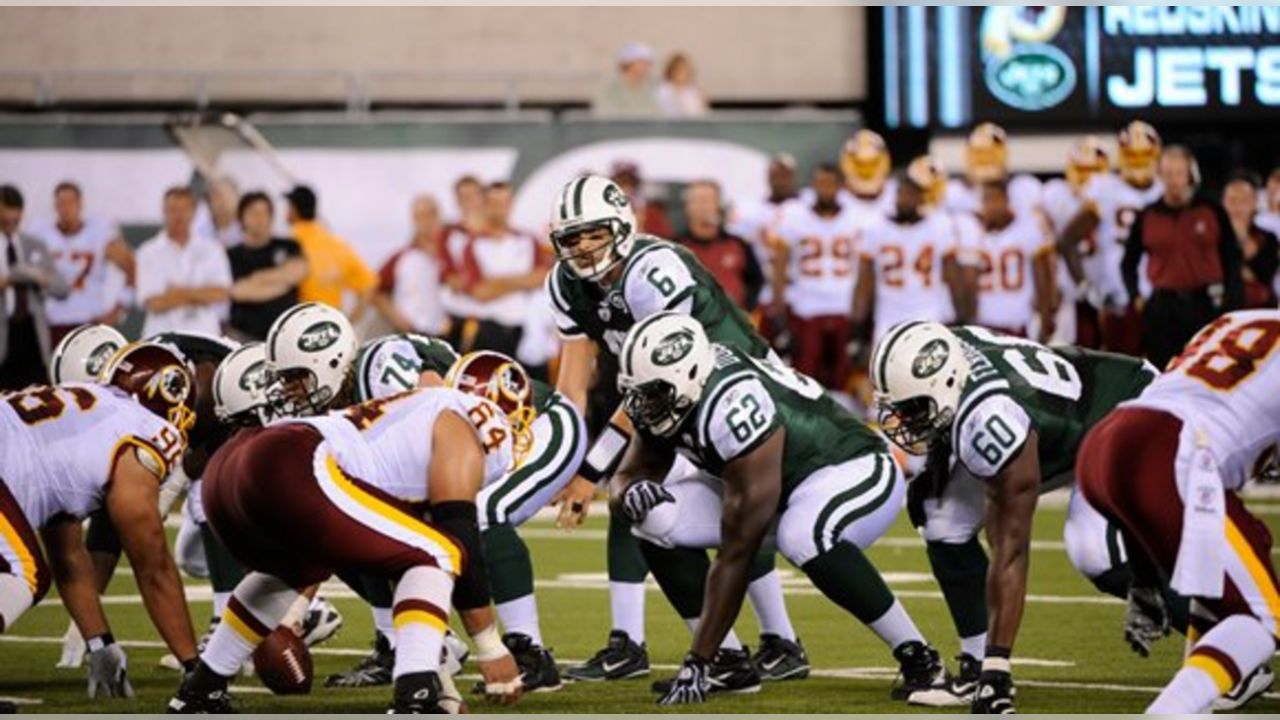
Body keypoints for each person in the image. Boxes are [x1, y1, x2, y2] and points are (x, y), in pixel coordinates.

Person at [168, 313, 524, 712]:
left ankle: (200, 691)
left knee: (293, 570)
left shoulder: (411, 416)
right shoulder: (465, 421)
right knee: (440, 553)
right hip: (289, 460)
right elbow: (460, 541)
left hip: (230, 469)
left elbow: (402, 571)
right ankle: (415, 699)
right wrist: (491, 649)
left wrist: (446, 686)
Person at [544, 174, 806, 686]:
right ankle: (766, 641)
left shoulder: (653, 270)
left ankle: (648, 643)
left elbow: (655, 381)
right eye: (572, 238)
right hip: (670, 397)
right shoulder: (565, 283)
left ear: (621, 226)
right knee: (652, 497)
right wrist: (561, 456)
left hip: (734, 387)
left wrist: (591, 471)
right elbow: (573, 383)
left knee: (699, 500)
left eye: (594, 234)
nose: (583, 247)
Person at [613, 312, 952, 706]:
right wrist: (628, 494)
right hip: (778, 486)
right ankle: (729, 663)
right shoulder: (676, 391)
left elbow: (739, 551)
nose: (642, 404)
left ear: (688, 375)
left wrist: (694, 662)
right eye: (637, 391)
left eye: (652, 392)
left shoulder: (732, 405)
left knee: (802, 535)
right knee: (652, 517)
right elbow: (627, 474)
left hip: (848, 468)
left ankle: (919, 657)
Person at [870, 321, 1165, 713]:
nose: (904, 422)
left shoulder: (991, 418)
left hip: (1127, 411)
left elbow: (1011, 548)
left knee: (1097, 551)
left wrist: (1001, 667)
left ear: (946, 384)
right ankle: (974, 666)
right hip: (1062, 419)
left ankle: (1227, 632)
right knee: (941, 514)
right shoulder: (948, 356)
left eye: (913, 408)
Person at [324, 334, 586, 692]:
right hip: (474, 434)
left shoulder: (397, 378)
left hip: (533, 423)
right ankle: (407, 643)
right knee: (373, 514)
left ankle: (531, 652)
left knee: (483, 512)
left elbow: (436, 407)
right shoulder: (351, 398)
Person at [1078, 309, 1280, 713]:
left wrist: (1145, 576)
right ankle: (1171, 711)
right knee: (1262, 616)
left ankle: (1209, 695)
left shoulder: (1240, 319)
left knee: (1242, 554)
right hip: (1171, 450)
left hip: (1110, 440)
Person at [0, 342, 200, 698]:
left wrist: (100, 643)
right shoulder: (143, 429)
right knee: (24, 571)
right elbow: (153, 566)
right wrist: (196, 670)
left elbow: (69, 557)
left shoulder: (81, 420)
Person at [1122, 145, 1244, 368]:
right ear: (1160, 176)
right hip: (1163, 307)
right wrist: (1136, 296)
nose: (1173, 180)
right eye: (1168, 173)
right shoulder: (1148, 215)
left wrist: (1232, 303)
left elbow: (1232, 259)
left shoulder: (1212, 210)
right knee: (1162, 372)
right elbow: (1128, 262)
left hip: (1206, 303)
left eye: (1179, 173)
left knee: (1207, 368)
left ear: (1191, 175)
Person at [1057, 121, 1165, 354]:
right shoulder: (1104, 189)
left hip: (1162, 298)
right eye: (1132, 156)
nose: (1138, 162)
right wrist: (1085, 286)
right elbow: (1067, 240)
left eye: (1144, 155)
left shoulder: (1165, 190)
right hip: (1120, 299)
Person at [769, 164, 877, 391]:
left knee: (844, 381)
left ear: (841, 186)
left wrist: (862, 318)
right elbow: (779, 266)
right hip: (806, 308)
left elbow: (867, 273)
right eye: (819, 183)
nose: (824, 189)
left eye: (830, 183)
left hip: (844, 307)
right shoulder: (793, 214)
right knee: (805, 381)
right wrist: (779, 313)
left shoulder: (860, 216)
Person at [851, 163, 978, 349]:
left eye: (911, 195)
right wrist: (858, 328)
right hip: (888, 317)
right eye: (902, 194)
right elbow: (865, 282)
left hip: (929, 314)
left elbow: (954, 278)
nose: (905, 199)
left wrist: (963, 317)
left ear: (921, 199)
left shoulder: (939, 225)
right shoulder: (875, 228)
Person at [453, 182, 552, 358]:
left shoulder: (528, 239)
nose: (501, 209)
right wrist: (524, 280)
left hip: (526, 329)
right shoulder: (473, 244)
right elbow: (480, 292)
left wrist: (497, 282)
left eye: (505, 203)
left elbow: (543, 277)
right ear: (485, 205)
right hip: (490, 328)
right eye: (495, 203)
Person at [31, 181, 133, 342]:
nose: (65, 209)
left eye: (70, 203)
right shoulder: (40, 233)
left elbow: (130, 266)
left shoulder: (100, 231)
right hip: (50, 320)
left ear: (80, 204)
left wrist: (118, 309)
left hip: (89, 319)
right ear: (55, 206)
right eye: (61, 203)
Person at [1042, 135, 1113, 347]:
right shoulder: (1054, 194)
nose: (1087, 178)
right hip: (1068, 292)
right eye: (1081, 170)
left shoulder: (1114, 195)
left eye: (1092, 171)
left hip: (1106, 287)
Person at [135, 187, 233, 338]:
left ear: (193, 212)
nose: (179, 216)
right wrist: (201, 295)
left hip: (205, 336)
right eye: (173, 209)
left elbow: (221, 293)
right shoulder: (148, 251)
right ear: (164, 211)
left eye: (184, 209)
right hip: (160, 337)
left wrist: (177, 292)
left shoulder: (212, 249)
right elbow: (155, 303)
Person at [0, 185, 69, 390]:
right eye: (5, 215)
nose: (11, 221)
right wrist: (8, 280)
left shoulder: (35, 245)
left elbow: (62, 288)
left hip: (32, 335)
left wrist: (38, 277)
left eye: (15, 216)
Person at [971, 180, 1057, 340]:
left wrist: (1046, 316)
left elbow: (1042, 278)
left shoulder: (1027, 229)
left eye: (994, 199)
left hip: (1016, 321)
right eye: (985, 200)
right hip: (982, 323)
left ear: (1007, 200)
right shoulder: (973, 231)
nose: (990, 205)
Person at [285, 184, 376, 322]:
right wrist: (348, 324)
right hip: (331, 325)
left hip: (297, 324)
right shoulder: (337, 244)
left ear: (293, 210)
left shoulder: (287, 243)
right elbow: (369, 285)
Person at [226, 192, 307, 341]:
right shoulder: (230, 255)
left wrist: (258, 278)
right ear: (241, 218)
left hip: (287, 335)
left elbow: (296, 272)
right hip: (244, 337)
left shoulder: (288, 245)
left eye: (265, 213)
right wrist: (282, 283)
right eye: (254, 213)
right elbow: (238, 291)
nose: (260, 219)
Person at [676, 179, 763, 311]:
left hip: (730, 325)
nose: (704, 206)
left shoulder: (738, 245)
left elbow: (756, 281)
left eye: (709, 200)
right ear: (688, 207)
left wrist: (746, 312)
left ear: (718, 205)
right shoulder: (675, 248)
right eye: (698, 200)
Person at [373, 195, 447, 337]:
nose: (428, 221)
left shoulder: (450, 257)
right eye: (421, 216)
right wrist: (399, 321)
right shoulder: (402, 258)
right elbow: (376, 291)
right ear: (414, 219)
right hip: (411, 335)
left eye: (431, 214)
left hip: (445, 337)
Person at [1221, 171, 1279, 309]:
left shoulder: (1268, 238)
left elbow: (1264, 273)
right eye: (1232, 200)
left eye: (1244, 200)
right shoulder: (1212, 236)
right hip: (1224, 310)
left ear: (1254, 203)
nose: (1238, 207)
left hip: (1260, 309)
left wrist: (1242, 236)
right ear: (1223, 203)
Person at [592, 42, 662, 118]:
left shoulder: (650, 87)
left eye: (648, 63)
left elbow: (656, 112)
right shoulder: (610, 87)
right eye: (643, 62)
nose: (647, 67)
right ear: (629, 63)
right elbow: (606, 112)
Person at [612, 161, 674, 238]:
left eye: (630, 182)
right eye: (621, 181)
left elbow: (666, 238)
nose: (626, 187)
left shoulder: (652, 211)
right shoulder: (602, 209)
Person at [192, 176, 242, 247]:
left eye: (227, 195)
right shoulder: (202, 226)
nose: (223, 201)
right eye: (216, 196)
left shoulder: (248, 227)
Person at [656, 53, 708, 118]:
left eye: (685, 70)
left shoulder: (694, 91)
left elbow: (702, 113)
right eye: (678, 70)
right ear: (671, 71)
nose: (682, 74)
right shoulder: (662, 90)